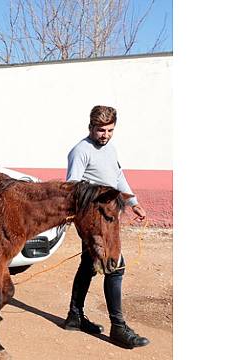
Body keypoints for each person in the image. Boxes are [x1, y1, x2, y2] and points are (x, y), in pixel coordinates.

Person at [62, 105, 149, 349]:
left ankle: (74, 317)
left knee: (88, 265)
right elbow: (73, 187)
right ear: (90, 127)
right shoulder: (80, 150)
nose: (105, 135)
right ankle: (118, 328)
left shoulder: (110, 148)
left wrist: (134, 203)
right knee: (115, 266)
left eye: (110, 130)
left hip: (111, 214)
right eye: (101, 130)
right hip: (95, 219)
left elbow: (118, 176)